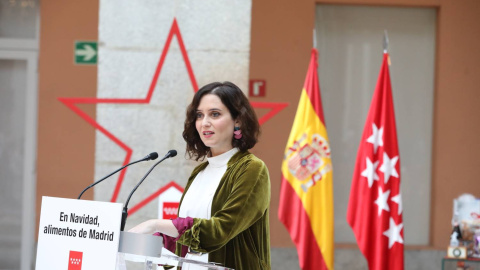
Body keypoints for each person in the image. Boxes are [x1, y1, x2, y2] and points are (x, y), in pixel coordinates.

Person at [129, 81, 271, 270]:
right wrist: (146, 242)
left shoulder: (251, 169)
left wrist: (155, 224)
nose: (205, 123)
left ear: (238, 120)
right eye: (199, 115)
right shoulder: (200, 172)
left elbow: (220, 231)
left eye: (215, 114)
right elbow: (186, 237)